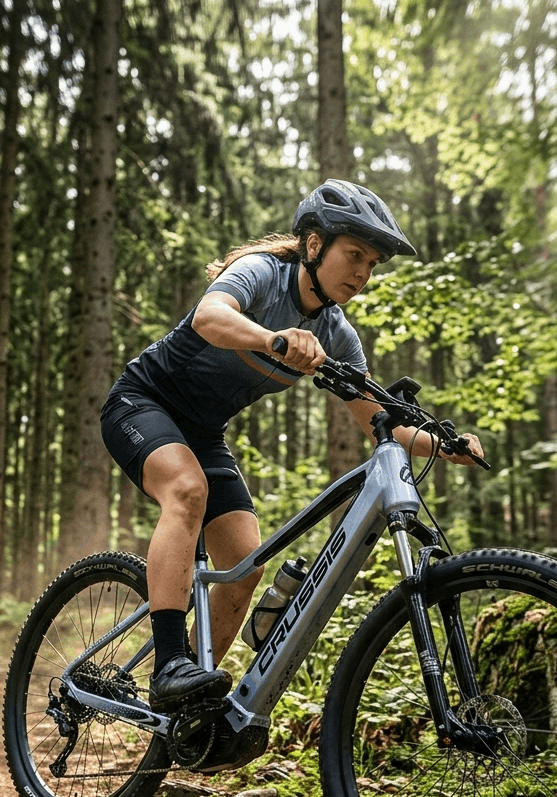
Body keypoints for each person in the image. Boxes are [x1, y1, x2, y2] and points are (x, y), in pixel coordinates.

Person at [101, 179, 483, 716]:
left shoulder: (337, 334)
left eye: (372, 264)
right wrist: (272, 338)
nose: (362, 273)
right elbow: (209, 317)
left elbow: (380, 422)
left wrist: (443, 446)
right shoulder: (262, 273)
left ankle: (187, 708)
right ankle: (169, 666)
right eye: (355, 255)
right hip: (141, 402)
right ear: (314, 244)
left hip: (203, 433)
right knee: (187, 491)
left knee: (245, 565)